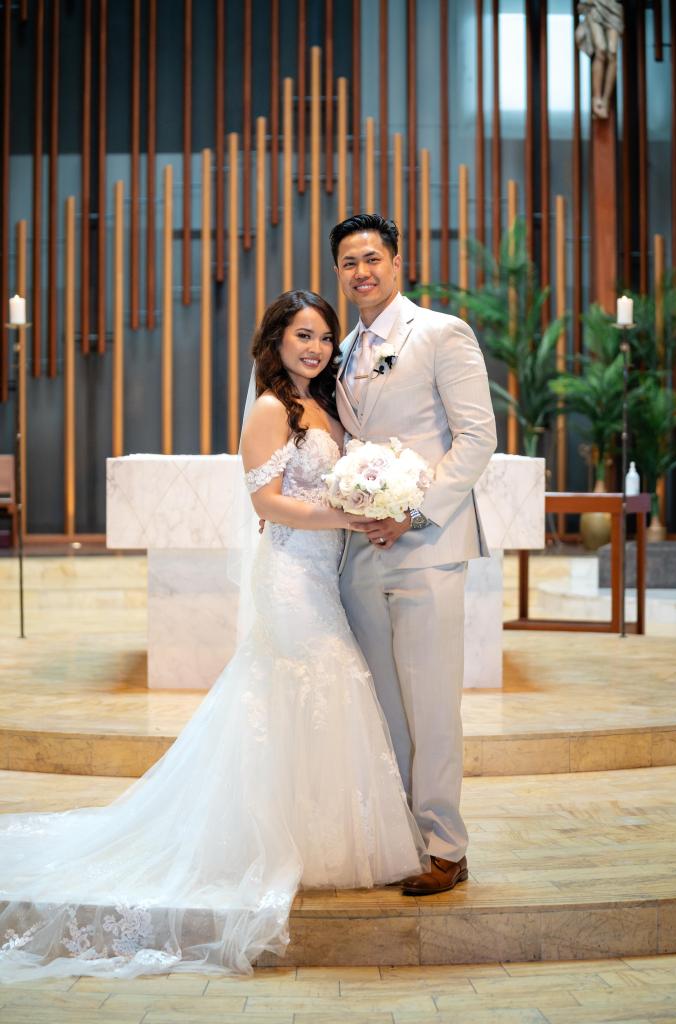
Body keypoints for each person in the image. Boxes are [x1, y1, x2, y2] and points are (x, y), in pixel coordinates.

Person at [0, 290, 427, 983]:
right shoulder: (271, 409)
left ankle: (326, 839)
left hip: (325, 572)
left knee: (321, 690)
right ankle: (281, 843)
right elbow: (266, 502)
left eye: (324, 337)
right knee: (314, 679)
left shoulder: (325, 405)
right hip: (290, 575)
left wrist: (367, 496)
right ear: (276, 341)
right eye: (303, 336)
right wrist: (346, 515)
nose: (316, 348)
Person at [332, 214, 497, 896]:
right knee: (387, 709)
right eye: (349, 262)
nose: (361, 271)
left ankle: (446, 846)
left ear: (397, 263)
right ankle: (404, 838)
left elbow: (477, 437)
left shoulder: (438, 333)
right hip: (360, 552)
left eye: (372, 258)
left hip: (425, 545)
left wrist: (414, 510)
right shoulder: (340, 349)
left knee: (430, 704)